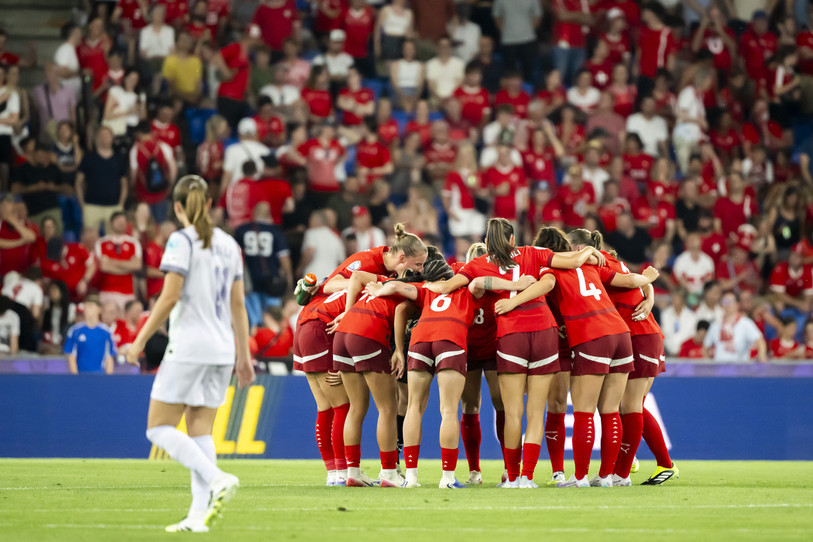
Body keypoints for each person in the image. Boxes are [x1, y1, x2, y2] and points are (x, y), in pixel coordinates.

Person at [426, 218, 603, 487]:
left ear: (486, 242)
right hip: (544, 329)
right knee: (536, 412)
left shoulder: (477, 264)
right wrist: (591, 250)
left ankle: (512, 475)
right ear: (512, 239)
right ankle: (528, 478)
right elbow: (572, 263)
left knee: (512, 412)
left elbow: (447, 286)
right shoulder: (533, 253)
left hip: (511, 335)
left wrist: (425, 287)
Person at [125, 175, 254, 532]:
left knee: (158, 427)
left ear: (178, 207)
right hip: (222, 349)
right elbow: (239, 305)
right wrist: (243, 357)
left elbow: (169, 297)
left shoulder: (181, 241)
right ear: (209, 203)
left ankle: (216, 479)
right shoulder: (229, 244)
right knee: (200, 431)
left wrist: (138, 342)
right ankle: (198, 517)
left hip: (190, 346)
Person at [497, 227, 658, 488]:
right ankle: (609, 477)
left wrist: (512, 302)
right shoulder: (594, 266)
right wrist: (649, 283)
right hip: (621, 334)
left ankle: (580, 477)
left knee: (583, 412)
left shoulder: (551, 269)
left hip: (590, 335)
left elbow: (543, 289)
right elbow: (629, 281)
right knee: (610, 412)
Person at [295, 224, 428, 487]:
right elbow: (334, 283)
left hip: (317, 325)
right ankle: (364, 472)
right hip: (324, 326)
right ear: (402, 258)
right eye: (418, 264)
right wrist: (352, 308)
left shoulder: (384, 274)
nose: (419, 270)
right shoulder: (371, 264)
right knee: (354, 406)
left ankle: (339, 473)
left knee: (332, 407)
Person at [569, 228, 677, 486]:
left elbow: (634, 281)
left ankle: (627, 471)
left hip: (640, 334)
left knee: (629, 406)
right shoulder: (615, 263)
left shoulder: (596, 261)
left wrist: (648, 293)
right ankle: (630, 462)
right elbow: (638, 281)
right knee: (625, 405)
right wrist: (649, 296)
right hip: (635, 334)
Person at [454, 243, 505, 484]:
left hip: (494, 349)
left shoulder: (498, 281)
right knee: (470, 405)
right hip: (469, 350)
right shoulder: (460, 277)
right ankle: (474, 470)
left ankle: (509, 466)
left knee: (501, 402)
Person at [234, 203, 292, 327]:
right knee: (275, 317)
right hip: (272, 281)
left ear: (254, 213)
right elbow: (284, 259)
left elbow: (235, 256)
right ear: (268, 215)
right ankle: (275, 342)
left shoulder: (241, 230)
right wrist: (289, 277)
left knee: (255, 322)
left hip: (249, 281)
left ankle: (257, 342)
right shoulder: (276, 231)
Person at [76, 127, 128, 233]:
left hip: (113, 207)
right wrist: (82, 203)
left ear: (112, 139)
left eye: (107, 135)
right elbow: (78, 182)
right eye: (101, 135)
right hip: (91, 206)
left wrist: (121, 204)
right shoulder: (88, 157)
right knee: (90, 239)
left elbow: (124, 184)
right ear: (97, 138)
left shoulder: (119, 158)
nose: (104, 138)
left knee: (114, 241)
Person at [12, 142, 66, 235]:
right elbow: (14, 189)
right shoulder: (23, 168)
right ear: (34, 154)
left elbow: (68, 189)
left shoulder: (53, 168)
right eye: (40, 155)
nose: (42, 158)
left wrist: (55, 187)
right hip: (33, 212)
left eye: (45, 155)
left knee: (56, 236)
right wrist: (34, 187)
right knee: (35, 240)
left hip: (52, 209)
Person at [130, 121, 177, 223]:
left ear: (138, 133)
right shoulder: (164, 146)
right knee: (162, 223)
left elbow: (133, 174)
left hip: (143, 193)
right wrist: (170, 185)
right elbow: (173, 169)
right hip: (161, 192)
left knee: (145, 224)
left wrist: (133, 188)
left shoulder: (135, 150)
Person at [703, 291, 768, 363]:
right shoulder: (716, 324)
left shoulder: (745, 323)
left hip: (739, 370)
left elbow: (760, 341)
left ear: (737, 304)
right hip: (720, 370)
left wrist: (761, 354)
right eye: (725, 301)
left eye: (730, 301)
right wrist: (708, 365)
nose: (727, 304)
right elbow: (706, 346)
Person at [95, 211, 141, 312]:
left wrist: (111, 261)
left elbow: (137, 265)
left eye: (123, 221)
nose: (121, 223)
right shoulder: (101, 242)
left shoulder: (133, 242)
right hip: (107, 291)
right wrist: (128, 266)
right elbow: (103, 266)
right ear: (111, 223)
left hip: (127, 292)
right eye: (118, 221)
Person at [64, 295, 116, 374]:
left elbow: (109, 357)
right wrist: (75, 378)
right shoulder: (74, 331)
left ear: (99, 309)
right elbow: (71, 356)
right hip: (81, 376)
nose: (87, 309)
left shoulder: (106, 332)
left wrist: (108, 379)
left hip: (100, 377)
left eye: (91, 306)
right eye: (86, 306)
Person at [0, 194, 37, 276]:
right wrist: (20, 242)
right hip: (3, 273)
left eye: (8, 203)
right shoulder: (2, 224)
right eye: (3, 204)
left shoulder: (28, 225)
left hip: (22, 273)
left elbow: (31, 238)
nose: (4, 206)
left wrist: (13, 221)